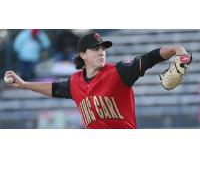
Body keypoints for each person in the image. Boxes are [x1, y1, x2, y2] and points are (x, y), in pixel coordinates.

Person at [4, 32, 191, 129]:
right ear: (83, 54)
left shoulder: (119, 71)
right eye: (95, 49)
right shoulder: (74, 82)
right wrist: (24, 84)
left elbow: (151, 57)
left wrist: (177, 49)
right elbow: (52, 88)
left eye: (103, 48)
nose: (101, 52)